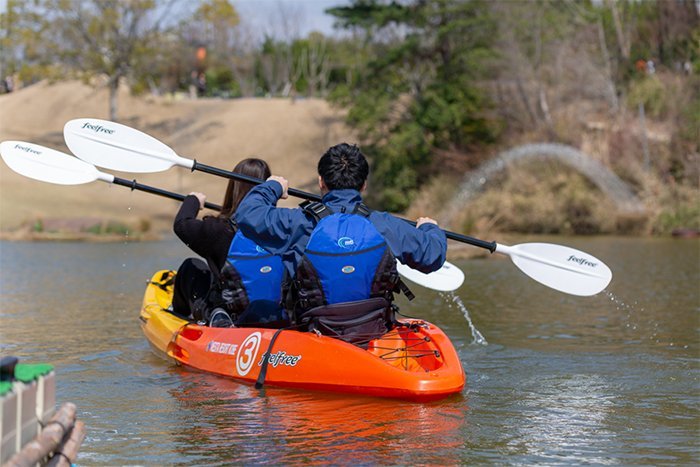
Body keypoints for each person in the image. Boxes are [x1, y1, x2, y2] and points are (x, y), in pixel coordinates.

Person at [234, 143, 447, 345]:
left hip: (315, 333)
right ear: (363, 185)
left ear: (321, 182)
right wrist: (429, 228)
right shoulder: (385, 225)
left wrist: (273, 187)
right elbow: (433, 256)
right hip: (375, 332)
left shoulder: (299, 223)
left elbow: (247, 215)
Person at [172, 158, 286, 327]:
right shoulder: (285, 227)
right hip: (271, 311)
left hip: (230, 311)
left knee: (191, 266)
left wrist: (193, 200)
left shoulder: (218, 229)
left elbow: (181, 224)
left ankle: (180, 315)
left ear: (233, 188)